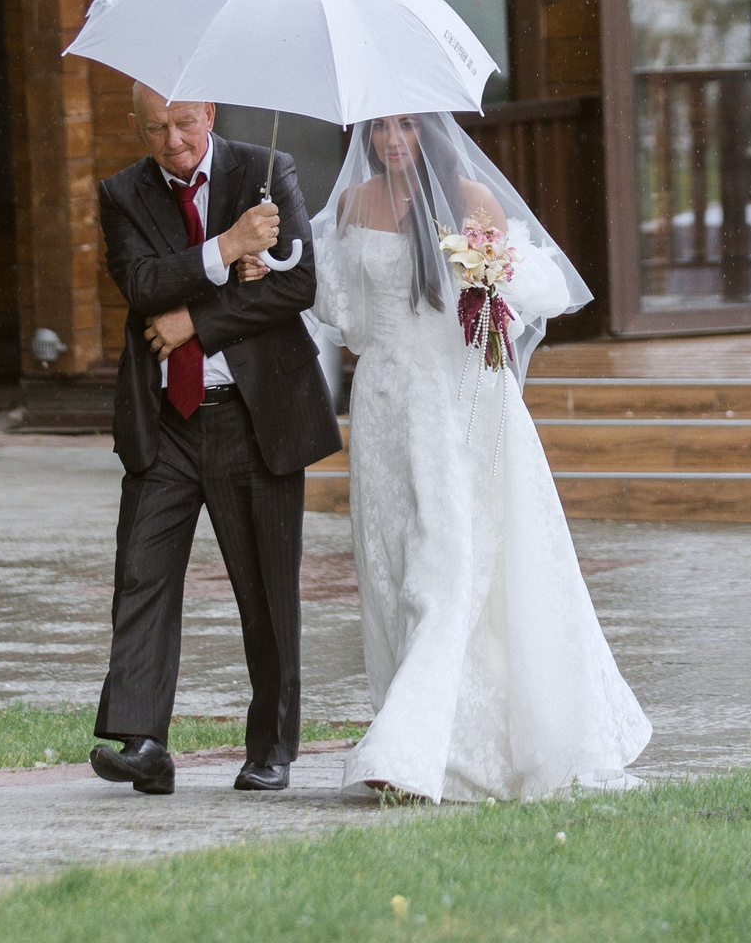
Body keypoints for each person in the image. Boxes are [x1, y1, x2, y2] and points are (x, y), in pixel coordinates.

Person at [308, 111, 650, 802]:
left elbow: (528, 294)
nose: (391, 140)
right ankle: (439, 736)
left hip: (456, 398)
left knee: (442, 570)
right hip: (383, 407)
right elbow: (345, 319)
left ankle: (407, 751)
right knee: (390, 567)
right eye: (380, 128)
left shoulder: (470, 200)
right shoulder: (351, 206)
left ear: (430, 130)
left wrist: (490, 279)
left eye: (406, 126)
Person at [88, 83, 341, 795]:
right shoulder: (122, 194)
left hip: (254, 416)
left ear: (210, 114)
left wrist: (193, 322)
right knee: (141, 572)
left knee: (265, 590)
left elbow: (295, 286)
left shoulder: (266, 170)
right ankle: (143, 741)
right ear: (136, 126)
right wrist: (228, 247)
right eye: (155, 128)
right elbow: (142, 283)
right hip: (165, 420)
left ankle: (272, 747)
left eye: (184, 123)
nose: (172, 141)